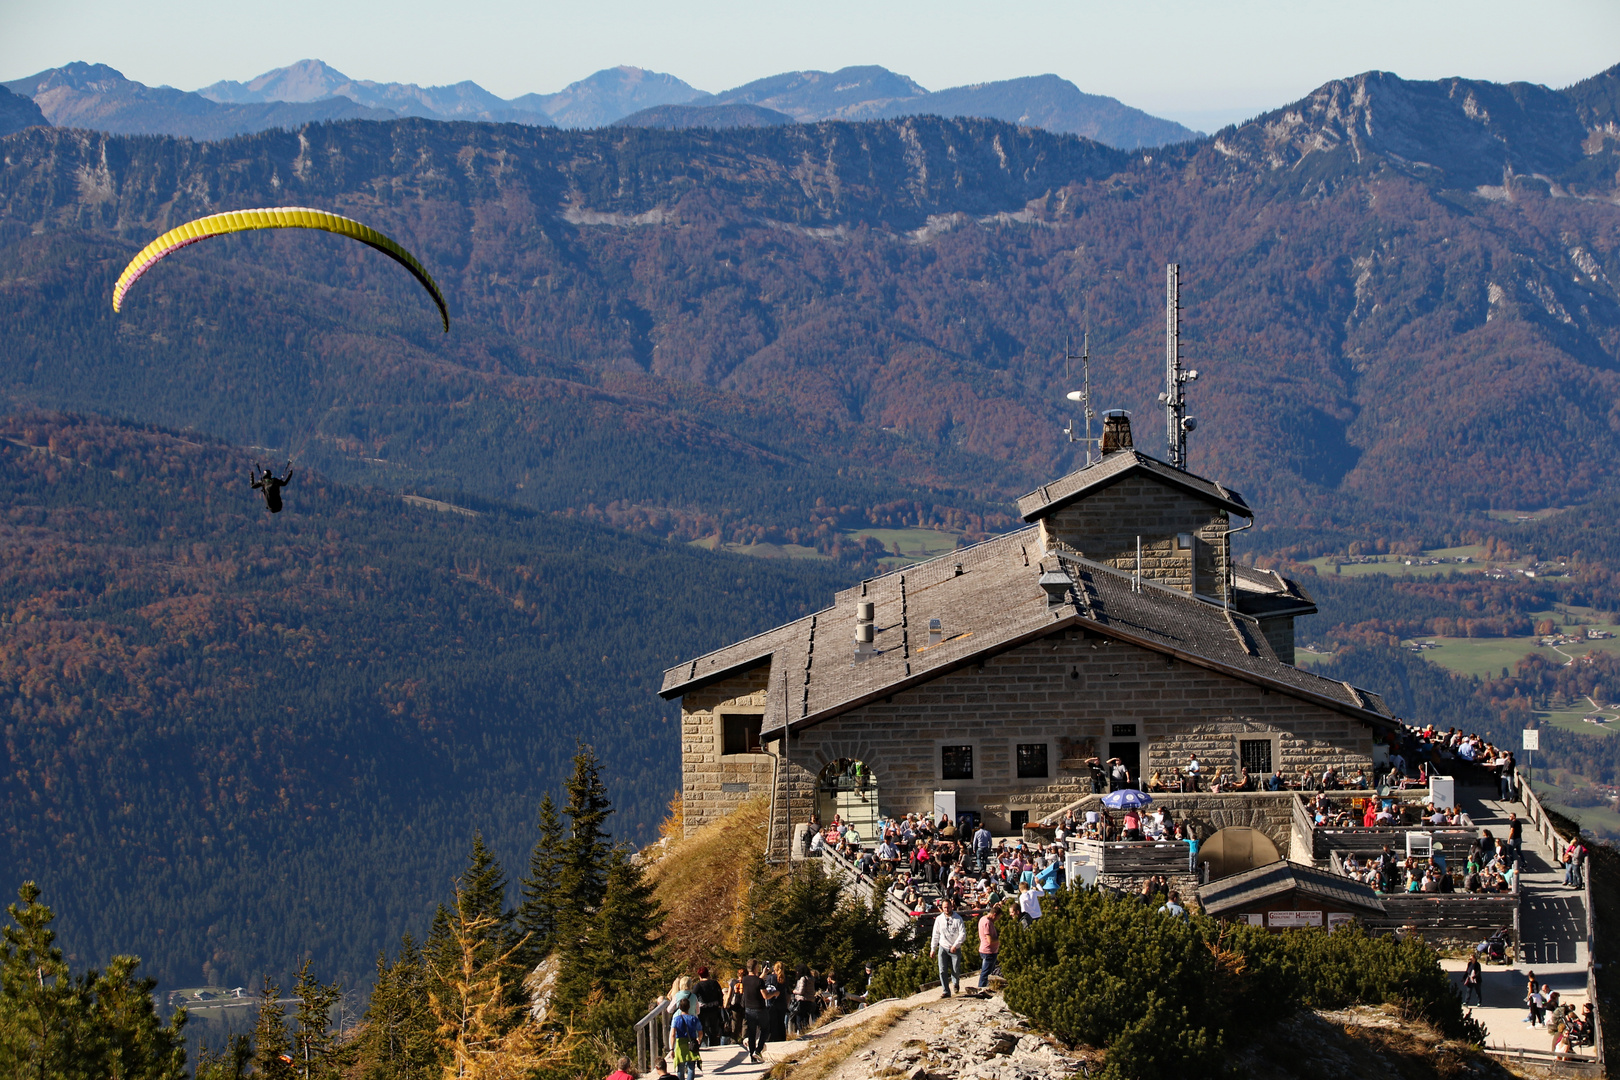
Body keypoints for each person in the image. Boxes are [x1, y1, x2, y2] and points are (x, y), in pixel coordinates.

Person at [929, 899, 967, 998]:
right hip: (943, 946)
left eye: (948, 907)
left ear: (951, 906)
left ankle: (955, 983)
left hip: (954, 947)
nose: (946, 909)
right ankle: (946, 990)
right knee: (942, 969)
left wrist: (956, 945)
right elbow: (935, 934)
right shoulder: (939, 919)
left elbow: (962, 934)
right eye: (944, 907)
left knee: (955, 968)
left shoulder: (958, 918)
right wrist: (933, 948)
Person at [740, 960, 770, 1063]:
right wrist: (775, 993)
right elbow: (765, 995)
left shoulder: (744, 980)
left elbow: (755, 982)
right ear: (756, 967)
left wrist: (763, 974)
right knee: (765, 1029)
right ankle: (758, 1049)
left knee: (752, 1033)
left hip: (749, 1010)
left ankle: (752, 1055)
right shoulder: (759, 981)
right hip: (760, 1009)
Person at [669, 999, 703, 1080]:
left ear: (679, 1007)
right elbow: (700, 1032)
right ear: (689, 1007)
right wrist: (699, 1039)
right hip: (692, 1042)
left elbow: (673, 1034)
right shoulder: (694, 1019)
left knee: (680, 1067)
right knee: (691, 1066)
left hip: (680, 1043)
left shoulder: (676, 1019)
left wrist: (672, 1049)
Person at [693, 966, 724, 1046]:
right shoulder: (714, 983)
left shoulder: (698, 985)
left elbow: (693, 995)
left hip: (702, 1011)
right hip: (714, 1010)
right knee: (714, 1029)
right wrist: (720, 1004)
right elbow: (720, 994)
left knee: (702, 1029)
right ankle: (714, 1045)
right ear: (708, 974)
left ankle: (703, 1045)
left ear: (699, 976)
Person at [977, 904, 1001, 989]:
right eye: (998, 917)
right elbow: (990, 940)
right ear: (994, 915)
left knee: (988, 971)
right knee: (986, 973)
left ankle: (985, 987)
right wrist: (1001, 938)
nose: (997, 919)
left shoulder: (983, 919)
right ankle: (981, 988)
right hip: (989, 951)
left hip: (987, 950)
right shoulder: (987, 922)